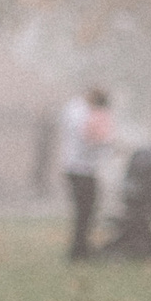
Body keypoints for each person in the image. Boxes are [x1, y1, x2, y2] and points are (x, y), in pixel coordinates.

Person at [57, 85, 114, 262]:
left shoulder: (74, 109)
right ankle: (78, 250)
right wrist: (107, 143)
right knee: (85, 212)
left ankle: (81, 247)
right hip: (81, 169)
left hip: (80, 168)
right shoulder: (80, 113)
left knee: (86, 212)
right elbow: (89, 138)